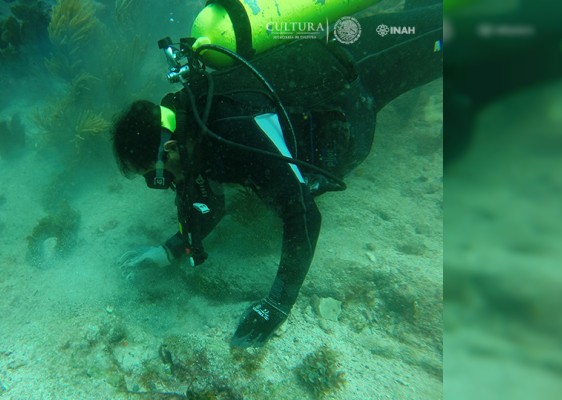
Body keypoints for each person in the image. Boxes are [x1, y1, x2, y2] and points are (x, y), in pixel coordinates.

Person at [112, 2, 443, 348]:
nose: (158, 184)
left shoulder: (231, 131)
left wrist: (276, 305)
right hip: (335, 73)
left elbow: (303, 215)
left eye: (154, 177)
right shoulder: (190, 126)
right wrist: (168, 250)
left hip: (361, 66)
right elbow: (209, 201)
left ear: (168, 151)